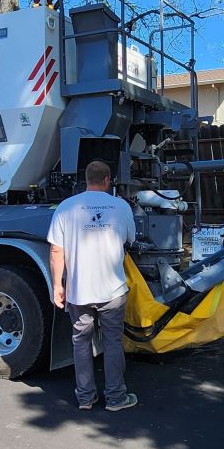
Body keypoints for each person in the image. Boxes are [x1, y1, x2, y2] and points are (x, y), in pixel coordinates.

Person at [47, 160, 138, 412]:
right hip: (112, 291)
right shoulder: (121, 206)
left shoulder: (66, 207)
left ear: (86, 179)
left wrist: (57, 285)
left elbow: (56, 250)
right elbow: (130, 240)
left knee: (81, 342)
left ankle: (86, 398)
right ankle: (116, 398)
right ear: (108, 180)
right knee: (112, 343)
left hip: (79, 291)